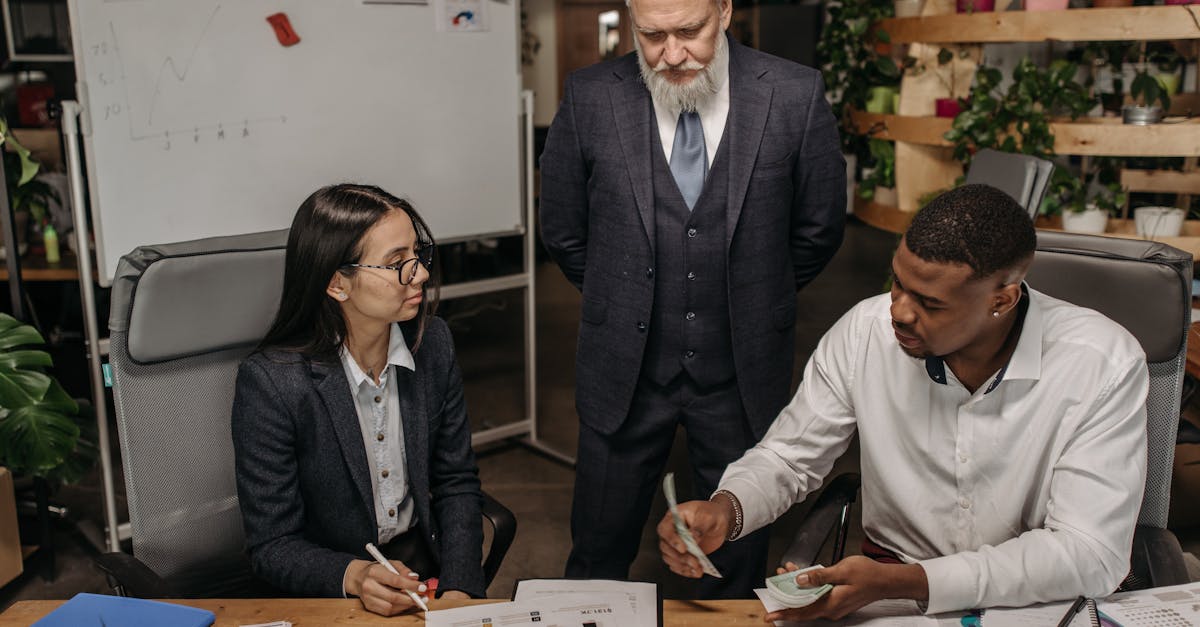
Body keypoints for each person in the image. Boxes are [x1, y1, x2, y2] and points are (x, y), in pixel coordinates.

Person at [658, 184, 1148, 620]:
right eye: (897, 283)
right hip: (892, 600)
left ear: (1002, 300)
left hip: (1036, 603)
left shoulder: (1101, 362)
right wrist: (729, 507)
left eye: (931, 303)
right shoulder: (864, 332)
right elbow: (789, 457)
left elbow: (1090, 553)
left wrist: (913, 582)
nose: (899, 311)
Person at [538, 0, 846, 598]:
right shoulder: (590, 95)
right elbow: (565, 231)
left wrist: (751, 299)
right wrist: (624, 296)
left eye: (689, 31)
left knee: (733, 563)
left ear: (725, 11)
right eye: (651, 35)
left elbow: (816, 232)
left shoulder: (794, 94)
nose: (672, 54)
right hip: (622, 374)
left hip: (740, 371)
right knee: (597, 552)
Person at [231, 184, 485, 616]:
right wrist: (354, 576)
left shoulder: (433, 345)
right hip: (332, 589)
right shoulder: (273, 383)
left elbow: (456, 482)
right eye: (395, 263)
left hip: (422, 574)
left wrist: (461, 590)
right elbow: (272, 545)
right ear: (337, 283)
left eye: (417, 255)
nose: (419, 274)